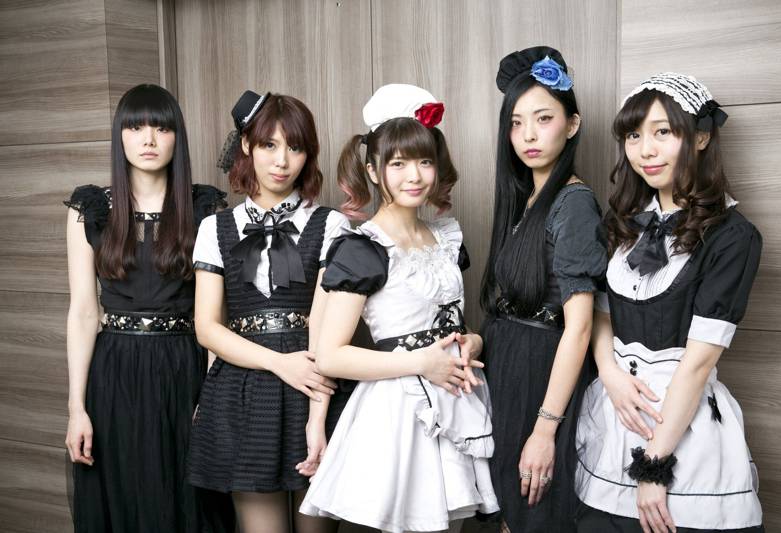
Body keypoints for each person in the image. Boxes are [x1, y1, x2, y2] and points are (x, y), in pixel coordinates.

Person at [300, 84, 499, 533]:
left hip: (457, 398)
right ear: (373, 170)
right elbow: (330, 355)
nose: (415, 175)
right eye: (399, 163)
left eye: (425, 161)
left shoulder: (446, 237)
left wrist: (473, 340)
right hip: (398, 411)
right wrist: (421, 362)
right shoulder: (362, 247)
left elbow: (452, 321)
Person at [575, 72, 764, 533]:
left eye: (663, 132)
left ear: (700, 137)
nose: (646, 150)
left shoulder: (733, 237)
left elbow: (698, 364)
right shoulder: (621, 223)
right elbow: (601, 313)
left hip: (681, 427)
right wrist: (610, 374)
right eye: (634, 136)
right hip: (614, 412)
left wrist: (654, 466)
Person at [64, 83, 228, 532]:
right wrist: (77, 408)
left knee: (188, 501)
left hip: (184, 368)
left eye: (161, 128)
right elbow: (83, 313)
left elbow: (217, 315)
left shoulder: (205, 208)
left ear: (177, 137)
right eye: (135, 128)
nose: (149, 139)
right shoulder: (89, 209)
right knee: (122, 498)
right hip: (114, 372)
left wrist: (211, 397)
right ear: (120, 136)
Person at [186, 90, 351, 533]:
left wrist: (312, 393)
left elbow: (330, 326)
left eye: (295, 148)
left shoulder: (330, 224)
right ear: (246, 145)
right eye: (269, 145)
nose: (282, 161)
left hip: (317, 382)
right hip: (243, 389)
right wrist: (279, 364)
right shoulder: (214, 227)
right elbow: (207, 327)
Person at [479, 46, 607, 533]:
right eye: (516, 123)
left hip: (541, 374)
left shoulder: (573, 203)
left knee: (533, 512)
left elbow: (579, 329)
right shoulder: (527, 198)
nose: (528, 135)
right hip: (507, 366)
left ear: (572, 125)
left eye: (543, 118)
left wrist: (545, 428)